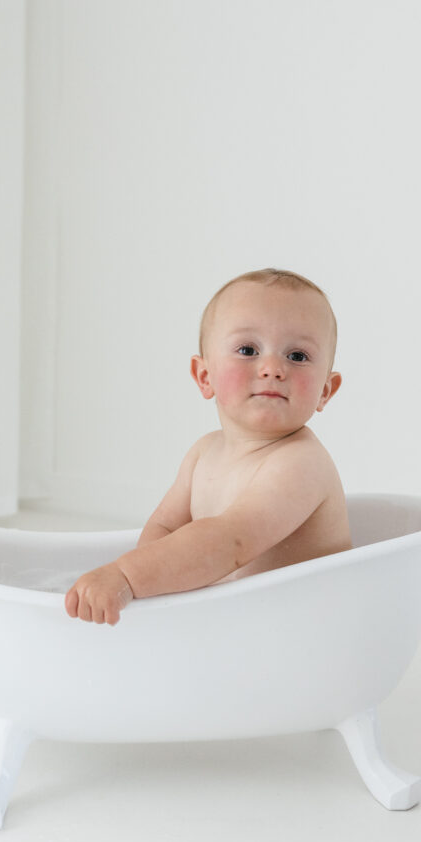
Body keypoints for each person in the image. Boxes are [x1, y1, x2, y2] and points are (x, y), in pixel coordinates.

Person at [65, 268, 352, 625]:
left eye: (297, 356)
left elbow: (231, 541)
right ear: (205, 376)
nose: (273, 368)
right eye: (248, 350)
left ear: (326, 390)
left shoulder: (301, 462)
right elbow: (164, 530)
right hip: (235, 627)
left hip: (302, 631)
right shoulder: (203, 453)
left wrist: (127, 577)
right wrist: (155, 597)